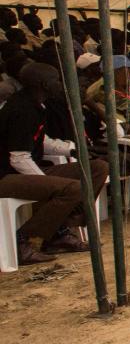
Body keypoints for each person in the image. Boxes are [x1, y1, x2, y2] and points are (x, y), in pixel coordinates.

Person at [0, 63, 108, 263]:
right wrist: (44, 183)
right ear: (44, 84)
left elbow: (40, 140)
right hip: (6, 176)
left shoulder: (37, 105)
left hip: (23, 169)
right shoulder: (21, 109)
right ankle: (23, 239)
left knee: (97, 168)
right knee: (73, 188)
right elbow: (18, 157)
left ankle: (59, 231)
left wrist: (71, 149)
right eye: (56, 80)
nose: (60, 84)